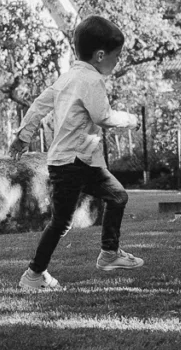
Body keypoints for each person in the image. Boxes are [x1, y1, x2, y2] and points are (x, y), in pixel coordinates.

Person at [9, 15, 144, 291]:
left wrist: (24, 135)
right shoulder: (91, 80)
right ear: (100, 54)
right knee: (61, 222)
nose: (117, 61)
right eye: (117, 56)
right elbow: (103, 116)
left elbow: (37, 105)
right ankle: (34, 275)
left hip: (77, 161)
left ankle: (109, 253)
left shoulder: (67, 78)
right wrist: (131, 120)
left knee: (117, 196)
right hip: (74, 163)